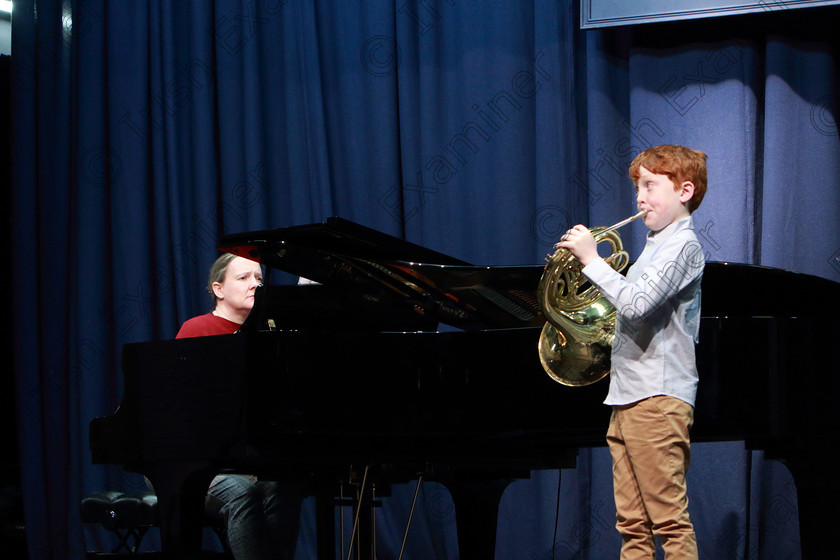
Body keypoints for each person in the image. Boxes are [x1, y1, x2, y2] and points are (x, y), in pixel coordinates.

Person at [557, 144, 707, 559]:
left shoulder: (684, 246)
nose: (640, 197)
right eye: (638, 187)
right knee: (632, 527)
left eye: (650, 186)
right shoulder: (655, 245)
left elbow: (638, 304)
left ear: (685, 191)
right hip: (628, 395)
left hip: (657, 397)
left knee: (670, 524)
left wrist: (591, 260)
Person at [177, 252, 301, 560]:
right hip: (192, 463)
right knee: (241, 493)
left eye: (259, 279)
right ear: (219, 289)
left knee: (284, 483)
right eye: (243, 278)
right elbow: (181, 408)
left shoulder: (269, 338)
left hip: (246, 461)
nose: (254, 285)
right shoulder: (197, 330)